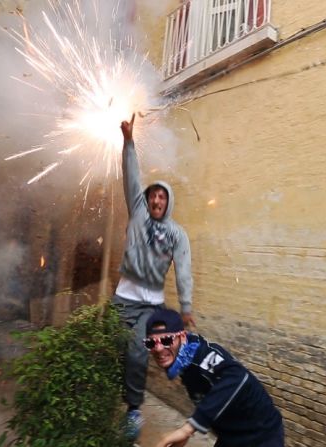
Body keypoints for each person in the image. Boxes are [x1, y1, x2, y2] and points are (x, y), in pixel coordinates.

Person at [114, 114, 195, 439]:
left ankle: (133, 410)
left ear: (168, 202)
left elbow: (184, 269)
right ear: (147, 200)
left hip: (149, 308)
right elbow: (131, 177)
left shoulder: (177, 234)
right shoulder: (137, 215)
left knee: (136, 350)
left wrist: (186, 305)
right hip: (122, 301)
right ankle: (111, 396)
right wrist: (129, 141)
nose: (157, 200)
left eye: (163, 197)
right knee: (112, 349)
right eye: (153, 196)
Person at [145, 309, 284, 447]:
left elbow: (238, 377)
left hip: (262, 435)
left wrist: (188, 429)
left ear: (182, 337)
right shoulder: (184, 361)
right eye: (151, 343)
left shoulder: (203, 355)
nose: (158, 349)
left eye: (166, 340)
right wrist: (187, 433)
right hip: (230, 435)